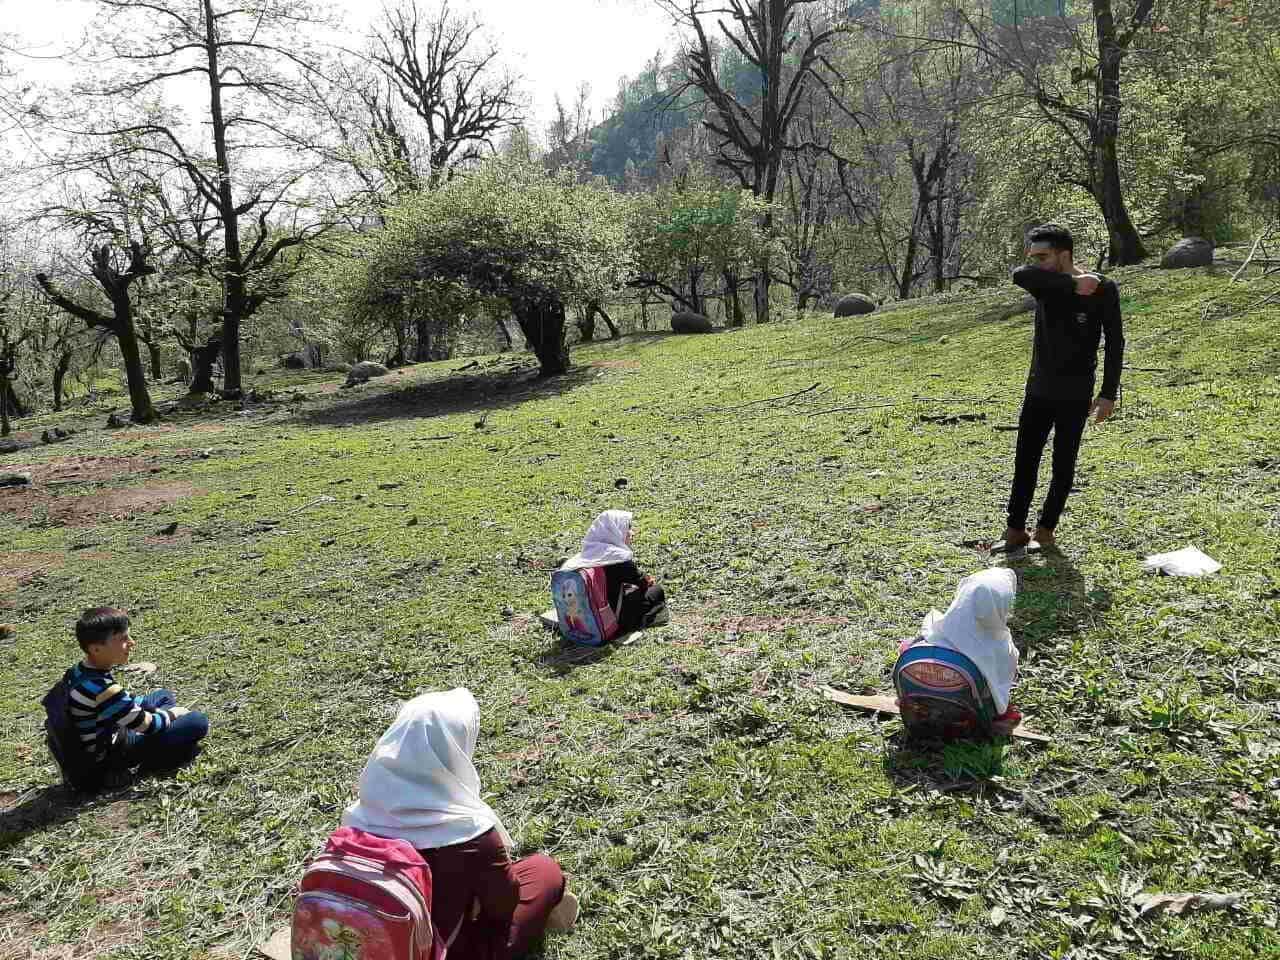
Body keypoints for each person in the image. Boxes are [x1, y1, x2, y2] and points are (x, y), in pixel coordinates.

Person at [343, 689, 578, 960]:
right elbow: (502, 908)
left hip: (362, 942)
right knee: (543, 871)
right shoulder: (469, 835)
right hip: (439, 952)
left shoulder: (356, 820)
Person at [998, 223, 1124, 551]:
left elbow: (1115, 343)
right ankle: (1014, 531)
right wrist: (1071, 283)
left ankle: (1045, 530)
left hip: (1076, 391)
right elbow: (1019, 275)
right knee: (1025, 459)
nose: (1036, 262)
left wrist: (1108, 394)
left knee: (1063, 464)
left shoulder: (1104, 290)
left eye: (1043, 256)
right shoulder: (1046, 284)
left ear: (1064, 255)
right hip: (1038, 389)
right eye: (1033, 256)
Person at [61, 607, 209, 783]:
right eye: (123, 639)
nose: (132, 643)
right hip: (110, 753)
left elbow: (119, 702)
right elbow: (149, 725)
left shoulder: (79, 671)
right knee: (197, 721)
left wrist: (151, 710)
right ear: (96, 649)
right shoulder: (101, 689)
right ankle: (156, 759)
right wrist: (174, 713)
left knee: (163, 695)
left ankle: (172, 736)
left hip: (108, 730)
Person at [899, 568, 1021, 721]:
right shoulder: (1003, 649)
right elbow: (1001, 688)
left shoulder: (938, 630)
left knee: (908, 646)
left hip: (923, 703)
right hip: (966, 713)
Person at [560, 510, 669, 631]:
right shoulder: (618, 558)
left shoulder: (586, 555)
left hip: (588, 613)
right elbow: (641, 583)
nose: (631, 533)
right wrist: (648, 581)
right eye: (627, 529)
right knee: (657, 590)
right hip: (613, 617)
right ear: (615, 532)